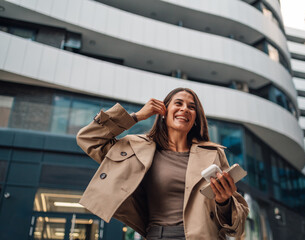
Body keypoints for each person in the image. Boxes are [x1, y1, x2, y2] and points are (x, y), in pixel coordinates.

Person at [77, 88, 249, 240]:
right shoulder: (136, 148)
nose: (184, 109)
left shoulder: (214, 154)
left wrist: (224, 202)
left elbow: (237, 224)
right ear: (164, 111)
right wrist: (136, 117)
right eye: (178, 103)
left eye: (191, 107)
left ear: (196, 118)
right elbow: (88, 139)